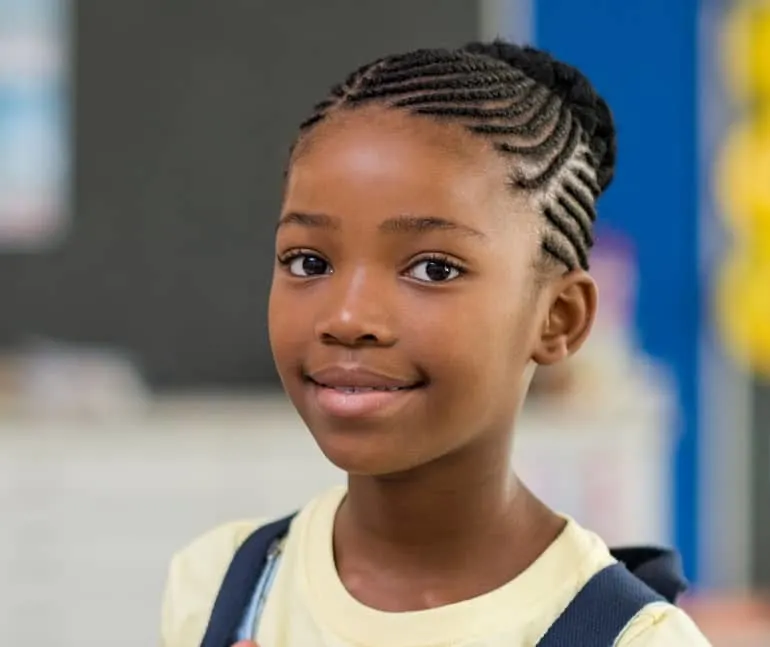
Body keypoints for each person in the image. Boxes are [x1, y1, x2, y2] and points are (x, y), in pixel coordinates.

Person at [159, 40, 712, 647]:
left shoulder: (631, 638)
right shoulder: (223, 589)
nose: (346, 317)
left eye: (433, 270)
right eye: (309, 260)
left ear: (557, 317)